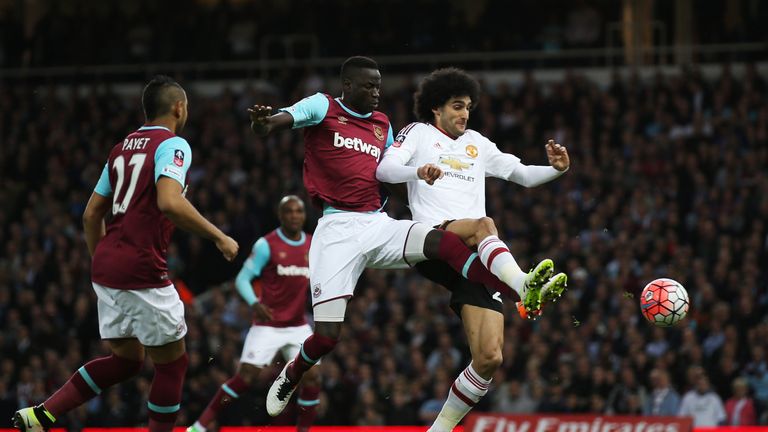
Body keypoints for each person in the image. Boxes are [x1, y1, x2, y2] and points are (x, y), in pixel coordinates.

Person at [246, 56, 553, 418]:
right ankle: (292, 372)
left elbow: (385, 169)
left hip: (377, 223)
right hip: (336, 230)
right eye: (369, 85)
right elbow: (282, 120)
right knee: (327, 336)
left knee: (444, 243)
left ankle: (518, 288)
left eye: (379, 85)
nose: (377, 93)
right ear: (347, 85)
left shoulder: (382, 125)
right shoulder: (323, 105)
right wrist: (265, 123)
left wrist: (413, 173)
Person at [12, 75, 239, 432]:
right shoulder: (173, 144)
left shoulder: (121, 148)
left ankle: (41, 415)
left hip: (106, 265)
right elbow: (169, 201)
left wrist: (103, 262)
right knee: (173, 365)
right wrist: (218, 236)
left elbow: (91, 214)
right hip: (141, 269)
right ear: (179, 108)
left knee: (127, 361)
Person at [375, 67, 568, 432]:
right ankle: (523, 286)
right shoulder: (418, 133)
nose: (465, 114)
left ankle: (440, 428)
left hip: (475, 258)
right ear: (436, 107)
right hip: (434, 239)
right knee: (485, 224)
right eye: (457, 106)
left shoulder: (477, 143)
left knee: (490, 358)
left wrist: (557, 169)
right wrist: (418, 173)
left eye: (468, 108)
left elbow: (523, 174)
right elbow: (385, 170)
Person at [188, 196, 319, 432]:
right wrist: (254, 303)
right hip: (267, 325)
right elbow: (242, 279)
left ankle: (304, 430)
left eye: (298, 211)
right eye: (288, 212)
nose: (294, 216)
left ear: (304, 215)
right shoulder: (266, 245)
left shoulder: (312, 244)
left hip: (298, 325)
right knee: (245, 378)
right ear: (281, 215)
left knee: (313, 378)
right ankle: (199, 426)